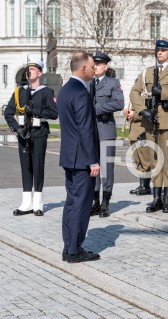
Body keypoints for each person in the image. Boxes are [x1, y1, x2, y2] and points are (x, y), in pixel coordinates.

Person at [130, 37, 168, 213]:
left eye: (163, 50)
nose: (160, 52)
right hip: (150, 121)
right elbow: (134, 92)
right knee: (155, 159)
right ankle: (155, 198)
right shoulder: (147, 72)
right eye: (158, 50)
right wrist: (142, 111)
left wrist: (162, 92)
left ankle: (166, 198)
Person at [57, 51, 101, 263]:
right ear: (83, 68)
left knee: (71, 202)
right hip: (83, 159)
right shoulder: (81, 93)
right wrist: (93, 160)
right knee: (82, 205)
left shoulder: (65, 90)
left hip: (69, 157)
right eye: (92, 66)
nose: (94, 70)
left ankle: (68, 247)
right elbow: (85, 130)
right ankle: (75, 250)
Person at [4, 58, 58, 216]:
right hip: (23, 133)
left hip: (39, 132)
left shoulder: (47, 92)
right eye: (28, 69)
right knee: (25, 167)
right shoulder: (20, 91)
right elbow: (8, 113)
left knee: (38, 166)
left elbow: (54, 114)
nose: (29, 71)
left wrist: (33, 111)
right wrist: (16, 129)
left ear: (39, 72)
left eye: (33, 69)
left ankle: (38, 203)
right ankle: (26, 202)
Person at [89, 51, 125, 218]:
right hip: (90, 131)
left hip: (105, 129)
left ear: (106, 66)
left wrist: (96, 109)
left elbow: (119, 103)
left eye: (99, 64)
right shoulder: (88, 83)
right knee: (92, 166)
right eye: (94, 64)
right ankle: (95, 202)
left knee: (106, 169)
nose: (95, 67)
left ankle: (105, 203)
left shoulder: (112, 83)